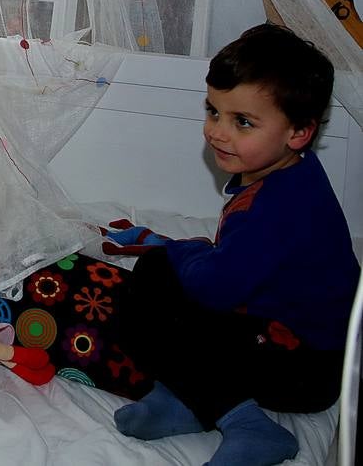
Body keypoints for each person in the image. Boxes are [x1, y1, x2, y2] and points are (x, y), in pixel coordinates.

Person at [106, 24, 360, 466]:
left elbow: (214, 288)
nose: (217, 132)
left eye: (242, 121)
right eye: (213, 111)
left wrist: (182, 251)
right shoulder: (293, 174)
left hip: (303, 368)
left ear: (298, 132)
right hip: (299, 344)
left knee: (147, 297)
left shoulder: (277, 207)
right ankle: (188, 402)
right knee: (161, 277)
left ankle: (248, 425)